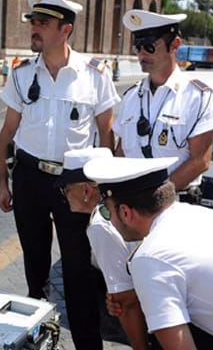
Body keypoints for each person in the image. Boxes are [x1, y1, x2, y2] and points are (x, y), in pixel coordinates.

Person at [0, 0, 120, 349]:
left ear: (64, 30)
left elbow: (106, 136)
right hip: (30, 178)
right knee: (35, 267)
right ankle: (38, 338)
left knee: (78, 270)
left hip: (75, 183)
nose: (34, 29)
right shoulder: (20, 74)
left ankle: (87, 343)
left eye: (42, 23)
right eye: (33, 22)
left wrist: (102, 190)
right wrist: (4, 184)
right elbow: (7, 133)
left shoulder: (94, 74)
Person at [83, 156, 213, 350]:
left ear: (125, 212)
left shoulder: (151, 257)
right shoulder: (193, 215)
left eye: (107, 213)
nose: (110, 222)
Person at [114, 10, 213, 202]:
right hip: (133, 205)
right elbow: (121, 152)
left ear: (175, 45)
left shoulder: (197, 96)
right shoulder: (131, 97)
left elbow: (200, 161)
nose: (142, 54)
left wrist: (155, 199)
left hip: (176, 203)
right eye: (137, 47)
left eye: (149, 46)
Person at [56, 147, 150, 350]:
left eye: (66, 189)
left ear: (86, 191)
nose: (64, 196)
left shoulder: (99, 226)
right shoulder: (121, 206)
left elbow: (125, 302)